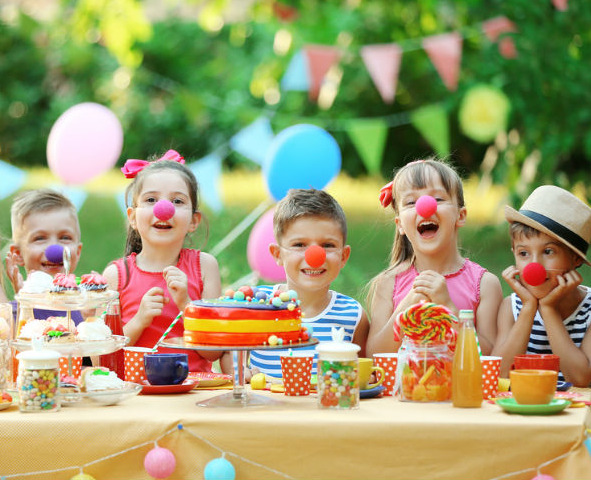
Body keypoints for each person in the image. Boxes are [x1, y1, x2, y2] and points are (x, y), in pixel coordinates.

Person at [103, 150, 226, 372]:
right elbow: (104, 354)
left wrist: (186, 305)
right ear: (132, 217)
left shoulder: (205, 267)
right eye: (151, 200)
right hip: (136, 395)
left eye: (177, 201)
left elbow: (214, 352)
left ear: (193, 221)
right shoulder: (116, 275)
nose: (164, 210)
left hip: (192, 394)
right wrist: (140, 320)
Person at [366, 159, 502, 357]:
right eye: (411, 202)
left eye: (438, 199)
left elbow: (489, 356)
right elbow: (374, 356)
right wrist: (407, 307)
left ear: (460, 215)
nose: (425, 207)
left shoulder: (485, 285)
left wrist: (448, 307)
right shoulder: (388, 283)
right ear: (400, 224)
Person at [249, 188, 369, 379]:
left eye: (327, 245)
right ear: (277, 254)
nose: (314, 257)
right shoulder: (255, 306)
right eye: (299, 245)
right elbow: (231, 360)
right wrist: (242, 374)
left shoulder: (354, 316)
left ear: (343, 256)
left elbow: (362, 376)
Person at [493, 185, 591, 386]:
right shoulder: (511, 308)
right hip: (524, 412)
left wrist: (548, 309)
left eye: (548, 252)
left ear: (575, 259)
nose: (534, 266)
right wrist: (529, 308)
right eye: (523, 253)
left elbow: (581, 379)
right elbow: (499, 375)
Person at [6, 189, 83, 323]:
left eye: (65, 237)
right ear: (17, 254)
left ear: (77, 251)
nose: (55, 249)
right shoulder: (12, 315)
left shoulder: (85, 305)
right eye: (40, 238)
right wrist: (25, 305)